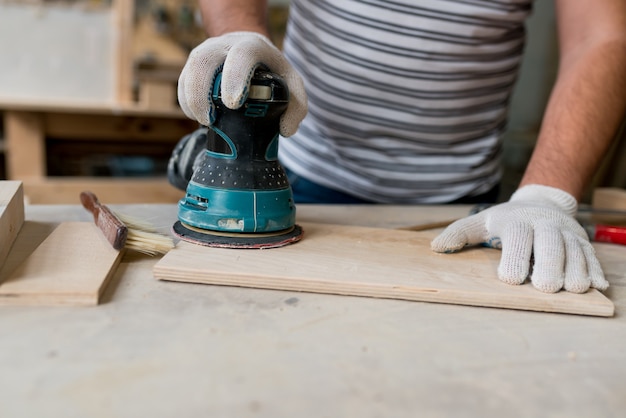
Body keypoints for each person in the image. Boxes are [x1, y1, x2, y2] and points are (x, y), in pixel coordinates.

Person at [171, 0, 626, 294]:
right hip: (306, 174)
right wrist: (239, 34)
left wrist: (546, 195)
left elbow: (600, 35)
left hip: (464, 207)